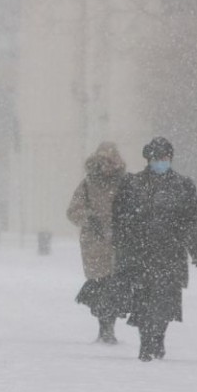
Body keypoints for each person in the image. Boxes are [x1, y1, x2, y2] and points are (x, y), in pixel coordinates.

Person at [112, 137, 197, 361]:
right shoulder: (132, 184)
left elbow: (193, 218)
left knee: (165, 300)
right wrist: (122, 243)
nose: (161, 162)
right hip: (140, 253)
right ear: (148, 159)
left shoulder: (183, 186)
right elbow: (119, 217)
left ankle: (159, 337)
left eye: (165, 157)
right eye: (156, 158)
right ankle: (146, 341)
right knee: (144, 300)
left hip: (170, 252)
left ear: (171, 158)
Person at [67, 142, 129, 344]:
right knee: (99, 287)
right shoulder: (87, 185)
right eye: (102, 162)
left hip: (119, 245)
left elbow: (137, 209)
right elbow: (73, 211)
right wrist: (89, 218)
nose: (106, 166)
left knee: (114, 288)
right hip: (94, 245)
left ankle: (108, 328)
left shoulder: (126, 184)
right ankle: (103, 327)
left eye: (110, 162)